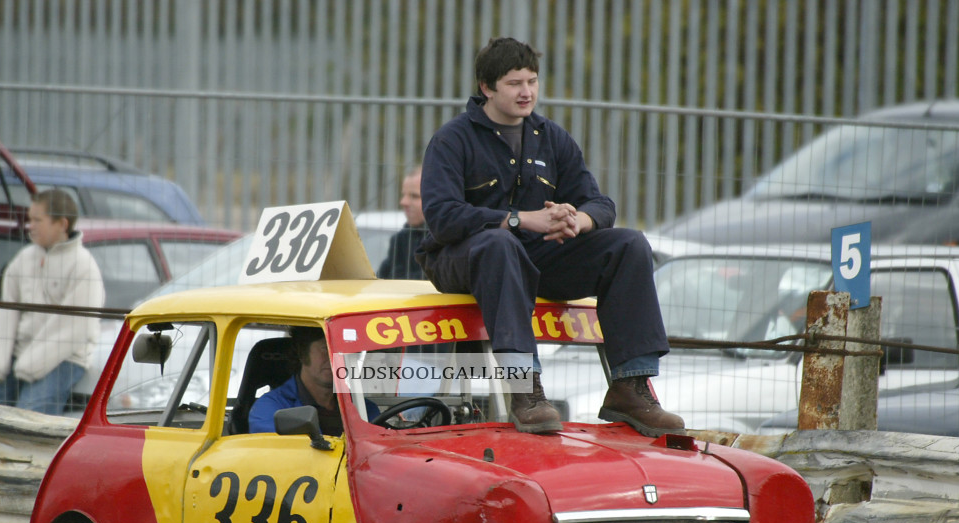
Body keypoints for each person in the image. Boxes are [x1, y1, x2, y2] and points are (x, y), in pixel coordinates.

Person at [416, 37, 684, 436]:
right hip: (463, 260)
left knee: (629, 244)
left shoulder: (551, 137)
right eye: (514, 83)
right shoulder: (453, 139)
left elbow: (599, 203)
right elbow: (442, 218)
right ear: (487, 88)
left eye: (532, 81)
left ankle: (631, 387)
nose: (526, 92)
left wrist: (578, 221)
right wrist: (520, 221)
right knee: (500, 243)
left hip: (535, 259)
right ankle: (525, 388)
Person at [0, 189, 104, 415]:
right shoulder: (23, 259)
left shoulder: (84, 266)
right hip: (20, 356)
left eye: (38, 220)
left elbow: (72, 329)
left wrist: (30, 365)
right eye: (30, 219)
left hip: (64, 359)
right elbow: (6, 313)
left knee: (28, 415)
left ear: (62, 224)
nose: (31, 226)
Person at [249, 326, 379, 436]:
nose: (336, 359)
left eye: (344, 352)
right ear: (302, 352)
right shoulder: (271, 409)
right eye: (326, 349)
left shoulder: (366, 409)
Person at [376, 166, 429, 280]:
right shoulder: (400, 240)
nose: (403, 202)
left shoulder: (446, 240)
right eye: (403, 195)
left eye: (414, 196)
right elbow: (378, 280)